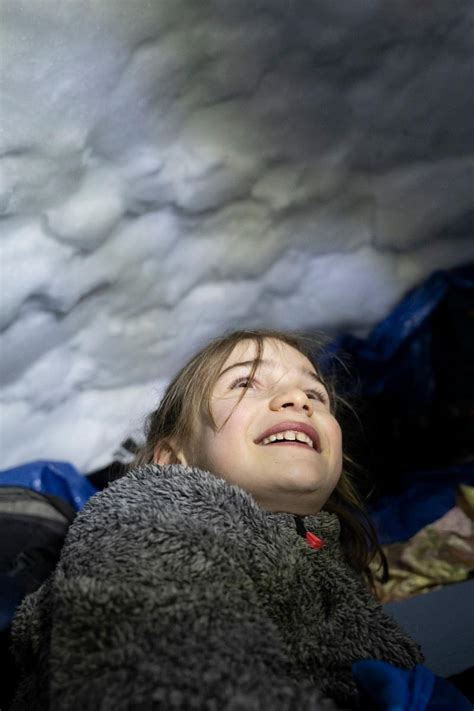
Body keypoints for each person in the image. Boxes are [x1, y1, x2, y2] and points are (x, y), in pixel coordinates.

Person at [10, 328, 424, 710]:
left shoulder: (333, 568)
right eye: (245, 383)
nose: (298, 400)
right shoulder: (150, 517)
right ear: (172, 459)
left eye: (315, 395)